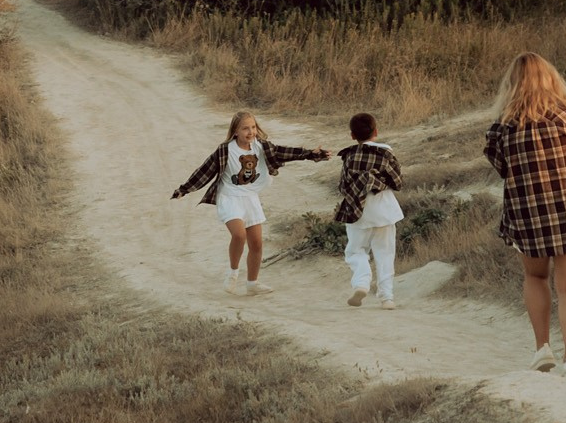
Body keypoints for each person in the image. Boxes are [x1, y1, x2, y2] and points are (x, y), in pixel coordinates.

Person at [484, 53, 566, 373]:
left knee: (535, 276)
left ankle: (542, 347)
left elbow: (501, 168)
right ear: (551, 78)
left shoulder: (502, 126)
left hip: (526, 212)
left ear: (512, 83)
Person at [170, 111, 327, 295]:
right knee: (239, 235)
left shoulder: (261, 147)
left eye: (253, 127)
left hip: (250, 198)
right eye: (245, 128)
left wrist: (311, 154)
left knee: (257, 244)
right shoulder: (225, 150)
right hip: (229, 196)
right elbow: (205, 170)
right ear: (235, 131)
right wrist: (185, 189)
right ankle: (233, 273)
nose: (250, 131)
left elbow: (284, 152)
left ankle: (252, 284)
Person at [332, 112, 404, 309]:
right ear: (376, 131)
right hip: (384, 210)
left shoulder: (349, 156)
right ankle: (387, 297)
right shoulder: (386, 154)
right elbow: (397, 182)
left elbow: (343, 186)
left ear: (352, 136)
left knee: (355, 251)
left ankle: (362, 283)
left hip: (358, 212)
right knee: (385, 254)